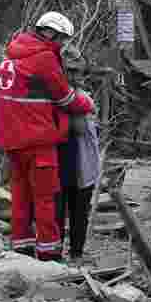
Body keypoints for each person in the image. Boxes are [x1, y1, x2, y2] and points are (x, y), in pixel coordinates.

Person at [0, 12, 94, 262]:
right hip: (37, 140)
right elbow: (66, 98)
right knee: (46, 199)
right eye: (61, 39)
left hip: (12, 140)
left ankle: (22, 248)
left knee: (20, 196)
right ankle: (49, 254)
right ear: (50, 33)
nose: (61, 45)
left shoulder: (13, 53)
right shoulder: (43, 57)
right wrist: (87, 103)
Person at [56, 86, 101, 265]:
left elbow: (82, 127)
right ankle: (60, 254)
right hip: (64, 167)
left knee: (77, 213)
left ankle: (75, 253)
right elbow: (81, 126)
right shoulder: (64, 101)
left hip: (81, 168)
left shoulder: (81, 99)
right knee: (60, 215)